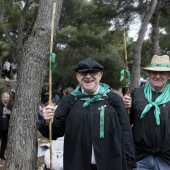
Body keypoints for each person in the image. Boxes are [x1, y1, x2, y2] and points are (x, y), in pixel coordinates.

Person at [39, 58, 136, 170]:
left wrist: (130, 162)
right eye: (83, 73)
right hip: (77, 164)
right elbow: (55, 132)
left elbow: (125, 132)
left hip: (110, 163)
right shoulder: (69, 101)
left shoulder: (114, 100)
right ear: (77, 76)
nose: (88, 76)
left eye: (93, 72)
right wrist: (47, 121)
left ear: (100, 75)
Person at [123, 55, 170, 170]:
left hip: (166, 160)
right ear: (149, 74)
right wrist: (124, 108)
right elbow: (126, 124)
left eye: (162, 73)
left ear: (168, 76)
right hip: (140, 158)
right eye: (154, 72)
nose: (157, 76)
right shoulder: (136, 94)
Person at [0, 92, 12, 160]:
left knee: (4, 143)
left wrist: (10, 113)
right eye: (7, 97)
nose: (8, 98)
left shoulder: (10, 105)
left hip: (6, 128)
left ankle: (2, 155)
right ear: (2, 97)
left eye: (9, 97)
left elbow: (13, 115)